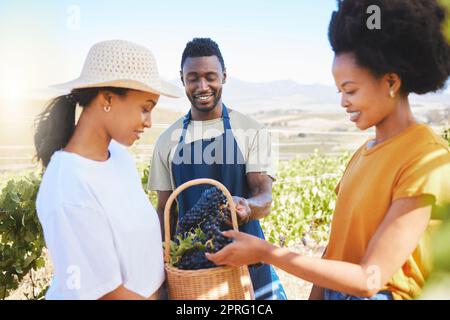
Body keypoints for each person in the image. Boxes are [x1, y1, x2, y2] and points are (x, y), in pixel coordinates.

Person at [206, 0, 450, 300]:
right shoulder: (363, 153)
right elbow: (334, 253)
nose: (343, 102)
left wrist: (265, 252)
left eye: (350, 90)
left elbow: (370, 279)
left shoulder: (426, 158)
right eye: (339, 92)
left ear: (391, 82)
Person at [34, 40, 181, 300]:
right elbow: (105, 295)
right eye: (145, 109)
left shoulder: (119, 158)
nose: (149, 122)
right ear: (108, 99)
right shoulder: (68, 184)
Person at [148, 38, 287, 300]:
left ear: (224, 76)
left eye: (211, 77)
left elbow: (265, 198)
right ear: (182, 79)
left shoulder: (251, 130)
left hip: (246, 260)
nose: (203, 86)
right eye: (193, 78)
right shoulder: (167, 140)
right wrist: (163, 265)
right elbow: (165, 211)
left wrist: (246, 207)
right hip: (193, 269)